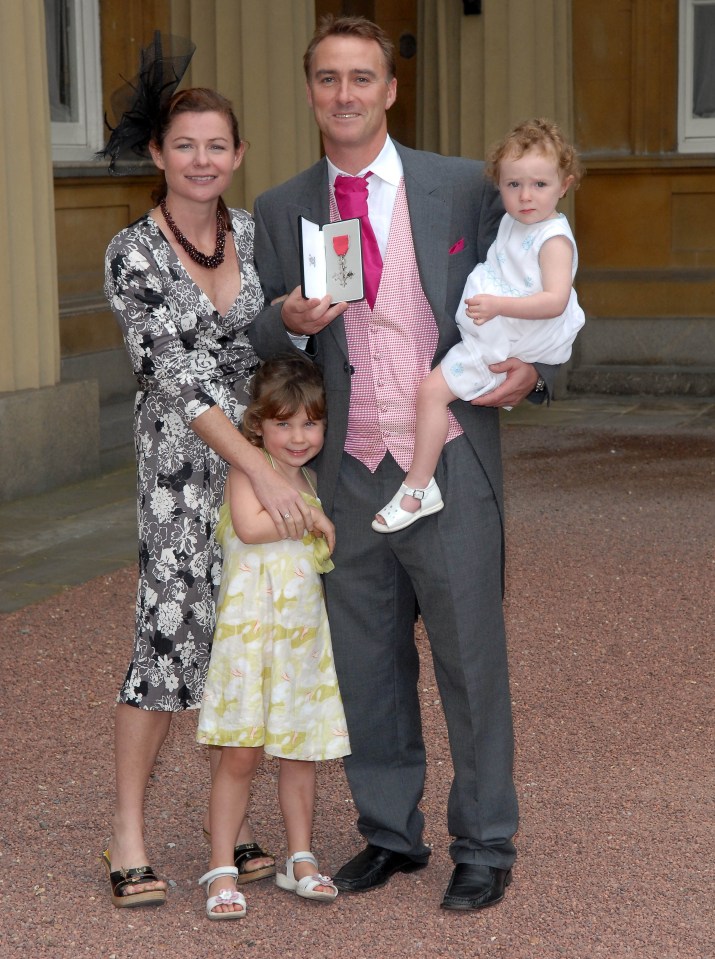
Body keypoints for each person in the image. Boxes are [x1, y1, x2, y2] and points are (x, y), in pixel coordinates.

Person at [249, 15, 557, 911]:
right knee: (366, 662)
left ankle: (485, 842)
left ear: (389, 90)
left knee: (470, 661)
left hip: (449, 457)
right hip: (347, 465)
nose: (344, 95)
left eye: (361, 78)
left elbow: (549, 263)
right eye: (327, 78)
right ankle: (389, 831)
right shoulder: (280, 206)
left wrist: (535, 369)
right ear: (309, 90)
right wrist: (287, 322)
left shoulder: (462, 187)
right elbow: (264, 345)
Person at [100, 43, 313, 908]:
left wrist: (292, 321)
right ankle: (128, 834)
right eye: (184, 145)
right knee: (165, 643)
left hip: (257, 461)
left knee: (242, 637)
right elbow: (179, 378)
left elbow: (270, 352)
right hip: (184, 472)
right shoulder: (132, 253)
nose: (201, 160)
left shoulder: (257, 234)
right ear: (158, 154)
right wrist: (260, 467)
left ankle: (227, 825)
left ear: (238, 155)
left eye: (216, 146)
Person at [374, 118, 585, 532]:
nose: (525, 196)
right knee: (433, 393)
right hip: (497, 323)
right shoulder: (514, 221)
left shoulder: (553, 239)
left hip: (510, 330)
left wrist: (496, 305)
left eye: (540, 185)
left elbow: (555, 301)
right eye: (513, 185)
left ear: (565, 185)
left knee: (431, 393)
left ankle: (417, 490)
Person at [195, 355, 349, 919]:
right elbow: (250, 527)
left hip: (298, 641)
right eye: (283, 423)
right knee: (241, 753)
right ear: (257, 425)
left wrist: (315, 515)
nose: (298, 436)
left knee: (300, 751)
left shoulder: (307, 478)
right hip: (249, 642)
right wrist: (313, 519)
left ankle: (300, 857)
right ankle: (221, 866)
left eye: (310, 423)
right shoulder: (251, 470)